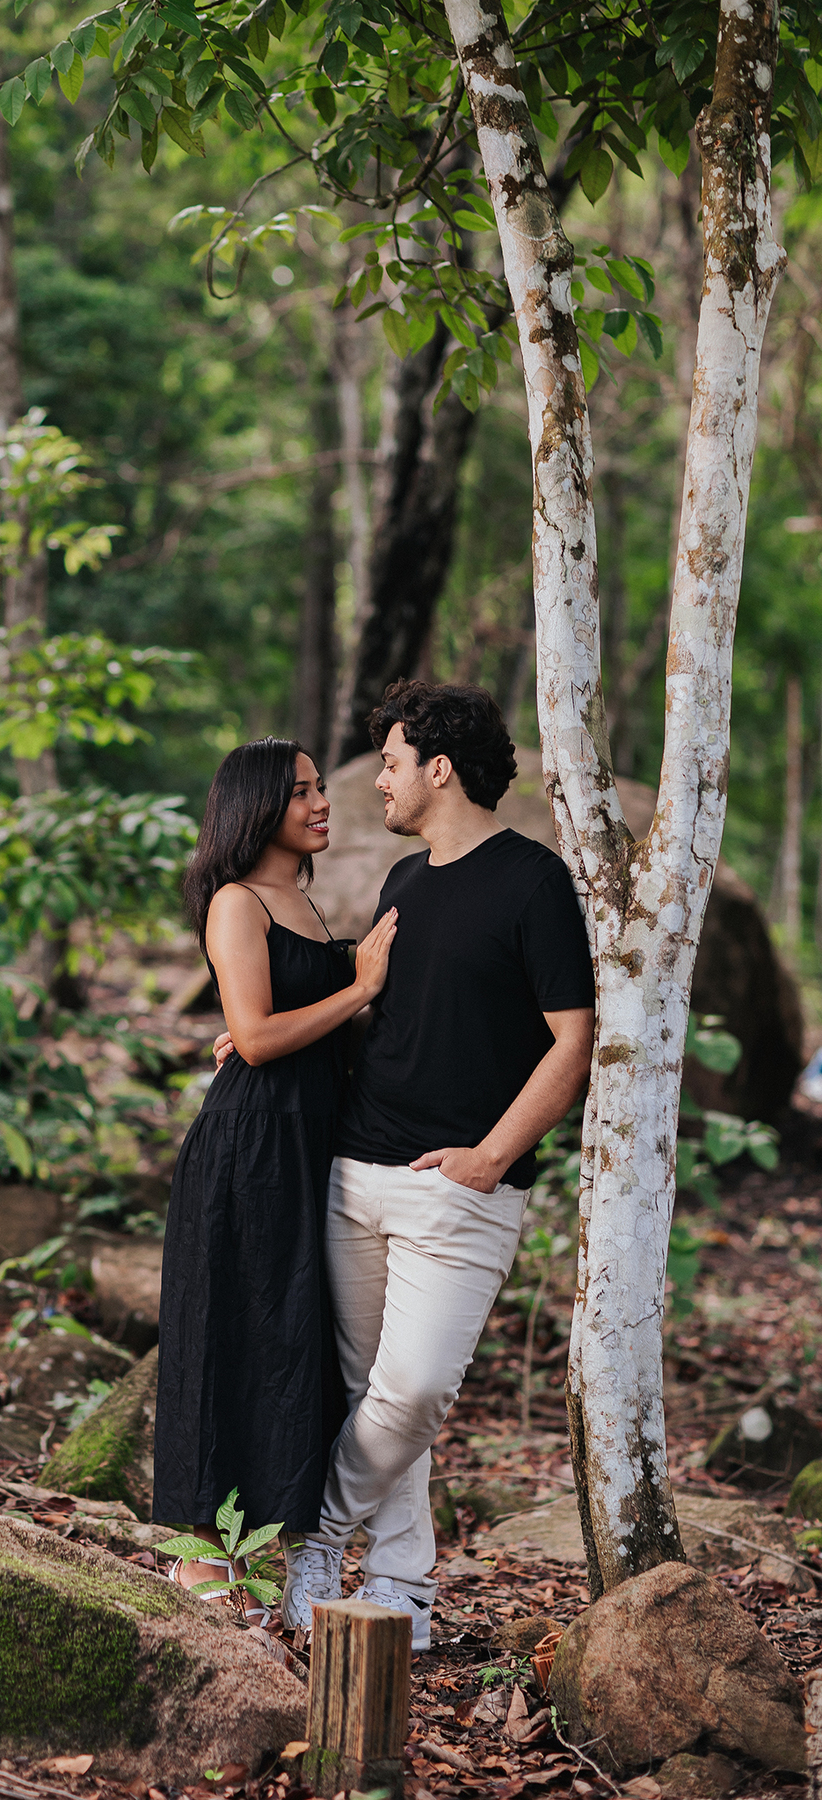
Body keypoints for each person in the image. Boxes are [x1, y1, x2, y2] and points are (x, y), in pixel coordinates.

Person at [277, 681, 596, 1648]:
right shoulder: (404, 881)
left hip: (460, 1188)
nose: (378, 781)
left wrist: (493, 1157)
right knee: (377, 1398)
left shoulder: (534, 882)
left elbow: (573, 1040)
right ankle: (403, 1591)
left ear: (440, 769)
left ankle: (314, 1540)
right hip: (355, 1173)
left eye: (391, 763)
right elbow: (386, 1019)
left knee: (414, 1391)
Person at [152, 736, 398, 1616]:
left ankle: (270, 1544)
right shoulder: (237, 902)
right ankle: (200, 1559)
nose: (322, 803)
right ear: (256, 806)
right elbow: (256, 1040)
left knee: (289, 1340)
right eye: (302, 792)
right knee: (228, 1335)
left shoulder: (303, 901)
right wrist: (357, 988)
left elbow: (275, 1023)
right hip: (249, 1149)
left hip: (306, 1143)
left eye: (321, 787)